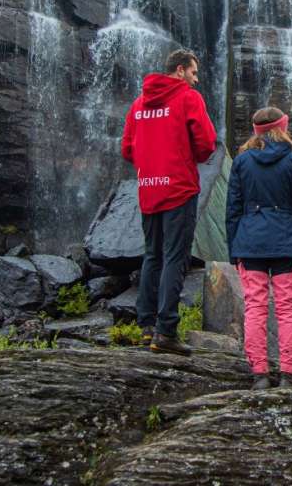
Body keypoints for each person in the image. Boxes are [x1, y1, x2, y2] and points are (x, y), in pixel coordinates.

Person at [120, 48, 216, 357]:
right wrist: (189, 158)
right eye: (193, 72)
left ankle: (144, 325)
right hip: (179, 188)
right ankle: (166, 330)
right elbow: (206, 142)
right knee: (176, 257)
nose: (195, 79)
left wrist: (150, 165)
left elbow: (127, 148)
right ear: (179, 70)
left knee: (152, 256)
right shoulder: (188, 98)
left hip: (149, 188)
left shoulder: (138, 104)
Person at [226, 107, 292, 390]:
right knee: (287, 309)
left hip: (250, 242)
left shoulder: (241, 162)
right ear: (282, 127)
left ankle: (260, 374)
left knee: (254, 307)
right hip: (287, 242)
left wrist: (233, 247)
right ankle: (288, 374)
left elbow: (233, 209)